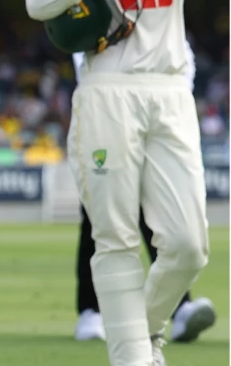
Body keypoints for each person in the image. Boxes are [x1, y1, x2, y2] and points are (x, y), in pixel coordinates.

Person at [26, 0, 229, 366]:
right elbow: (38, 2)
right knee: (113, 237)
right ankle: (133, 357)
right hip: (106, 91)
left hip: (168, 92)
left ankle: (145, 331)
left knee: (188, 245)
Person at [70, 42, 218, 345]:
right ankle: (92, 311)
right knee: (101, 220)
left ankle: (176, 310)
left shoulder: (163, 18)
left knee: (165, 222)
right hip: (107, 115)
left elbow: (182, 61)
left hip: (157, 117)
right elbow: (81, 54)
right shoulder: (101, 6)